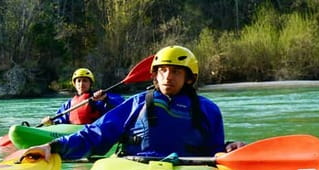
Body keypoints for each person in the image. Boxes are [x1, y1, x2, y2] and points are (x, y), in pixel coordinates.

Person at [25, 45, 243, 161]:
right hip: (136, 169)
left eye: (176, 71)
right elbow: (97, 133)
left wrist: (229, 148)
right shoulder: (136, 103)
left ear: (189, 78)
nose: (168, 77)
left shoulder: (208, 109)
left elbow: (214, 150)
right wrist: (53, 146)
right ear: (154, 75)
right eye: (163, 70)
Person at [40, 67, 123, 126]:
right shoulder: (68, 104)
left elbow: (121, 105)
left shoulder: (98, 98)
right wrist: (52, 122)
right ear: (74, 84)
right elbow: (61, 120)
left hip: (93, 133)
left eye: (85, 81)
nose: (81, 84)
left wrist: (106, 99)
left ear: (90, 84)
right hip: (73, 134)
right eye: (78, 81)